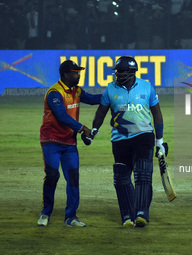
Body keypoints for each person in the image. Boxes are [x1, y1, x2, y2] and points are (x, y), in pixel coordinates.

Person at [92, 56, 167, 227]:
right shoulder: (110, 89)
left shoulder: (146, 87)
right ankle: (127, 215)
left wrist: (160, 140)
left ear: (132, 72)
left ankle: (141, 213)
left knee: (143, 174)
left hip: (143, 136)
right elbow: (101, 112)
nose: (118, 74)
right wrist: (94, 130)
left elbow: (157, 113)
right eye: (117, 71)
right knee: (121, 178)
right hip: (119, 139)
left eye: (122, 71)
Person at [37, 60, 101, 227]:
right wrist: (82, 128)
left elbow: (94, 99)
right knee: (52, 175)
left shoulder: (77, 91)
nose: (78, 74)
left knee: (73, 178)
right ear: (65, 74)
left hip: (69, 143)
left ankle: (71, 217)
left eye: (78, 72)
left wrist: (114, 95)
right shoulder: (54, 93)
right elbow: (62, 117)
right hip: (51, 141)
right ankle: (45, 213)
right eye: (75, 72)